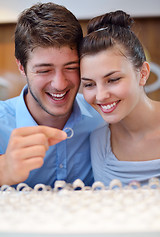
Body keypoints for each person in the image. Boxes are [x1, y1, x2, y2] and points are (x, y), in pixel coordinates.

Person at [0, 2, 104, 188]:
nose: (60, 84)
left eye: (71, 68)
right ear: (21, 67)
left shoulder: (103, 116)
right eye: (44, 70)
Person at [80, 10, 160, 187]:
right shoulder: (98, 141)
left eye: (113, 80)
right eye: (89, 84)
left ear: (143, 73)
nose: (100, 96)